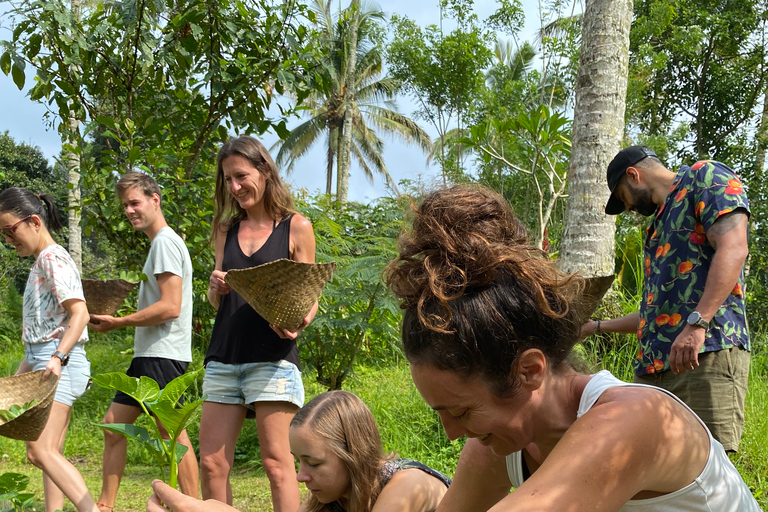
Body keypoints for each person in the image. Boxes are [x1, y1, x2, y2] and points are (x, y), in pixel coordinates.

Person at [383, 184, 760, 511]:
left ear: (530, 371)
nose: (449, 433)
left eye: (462, 411)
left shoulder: (635, 419)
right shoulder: (498, 446)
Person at [582, 145, 751, 452]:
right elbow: (656, 314)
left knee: (712, 467)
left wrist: (697, 324)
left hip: (705, 354)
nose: (629, 208)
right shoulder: (658, 226)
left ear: (634, 175)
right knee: (653, 476)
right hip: (654, 369)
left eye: (623, 197)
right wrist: (596, 326)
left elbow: (734, 248)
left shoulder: (705, 177)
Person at [200, 135, 317, 511]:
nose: (235, 187)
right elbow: (216, 298)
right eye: (228, 180)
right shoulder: (225, 229)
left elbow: (309, 294)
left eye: (241, 176)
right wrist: (214, 286)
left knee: (277, 464)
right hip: (223, 356)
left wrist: (300, 322)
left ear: (264, 171)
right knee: (212, 464)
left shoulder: (296, 227)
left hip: (273, 358)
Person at [88, 171, 199, 511]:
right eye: (125, 205)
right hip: (150, 354)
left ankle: (194, 505)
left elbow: (169, 306)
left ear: (155, 200)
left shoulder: (164, 242)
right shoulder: (161, 243)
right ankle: (105, 505)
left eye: (135, 203)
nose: (129, 210)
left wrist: (118, 322)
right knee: (113, 426)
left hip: (162, 355)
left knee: (172, 433)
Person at [146, 390, 451, 512]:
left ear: (353, 455)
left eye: (314, 463)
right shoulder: (337, 497)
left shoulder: (407, 486)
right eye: (298, 461)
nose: (301, 476)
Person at [0, 187, 99, 512]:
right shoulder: (43, 261)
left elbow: (80, 314)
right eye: (3, 234)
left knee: (39, 452)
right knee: (49, 451)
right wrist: (16, 380)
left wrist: (58, 358)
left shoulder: (53, 258)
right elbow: (39, 340)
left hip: (61, 366)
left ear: (33, 221)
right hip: (48, 364)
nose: (8, 239)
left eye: (10, 230)